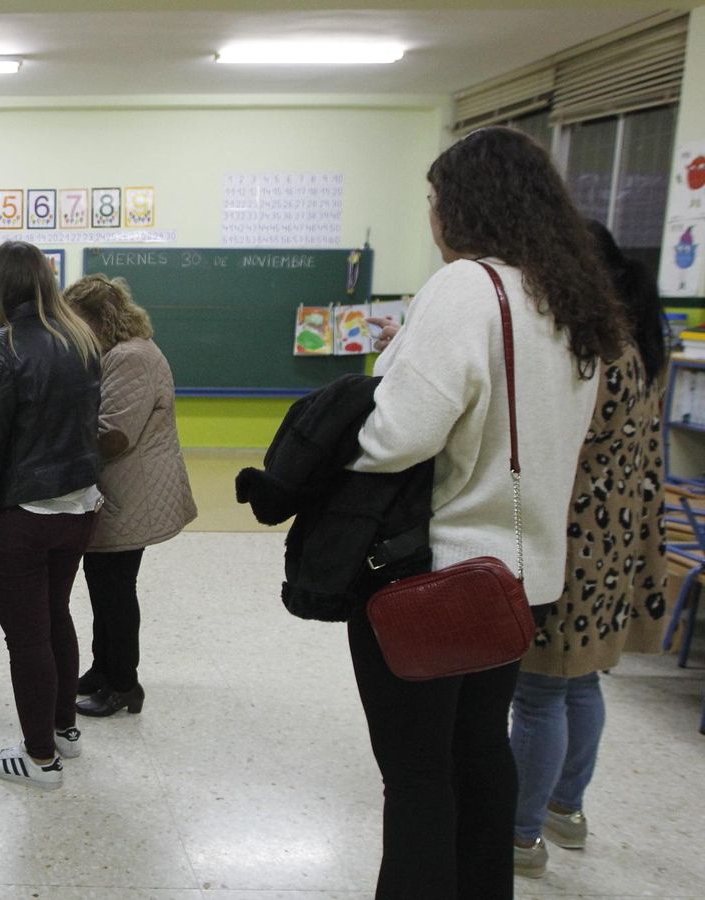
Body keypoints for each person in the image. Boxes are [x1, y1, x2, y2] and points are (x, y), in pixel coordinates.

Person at [346, 126, 629, 899]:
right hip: (518, 578)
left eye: (434, 201)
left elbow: (399, 436)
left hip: (437, 578)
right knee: (479, 754)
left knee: (415, 776)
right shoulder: (564, 294)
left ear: (466, 207)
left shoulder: (469, 287)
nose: (432, 217)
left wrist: (336, 447)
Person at [509, 219, 670, 879]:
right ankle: (566, 808)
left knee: (542, 691)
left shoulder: (589, 354)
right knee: (578, 684)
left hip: (570, 543)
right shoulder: (634, 345)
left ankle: (521, 836)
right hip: (616, 541)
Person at [0, 240, 101, 790]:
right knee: (55, 616)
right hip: (79, 509)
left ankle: (40, 759)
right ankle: (63, 728)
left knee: (28, 639)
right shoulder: (81, 340)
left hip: (24, 516)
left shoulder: (0, 348)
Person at [62, 274, 198, 718]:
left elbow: (114, 435)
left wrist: (55, 446)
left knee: (115, 591)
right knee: (105, 587)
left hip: (130, 494)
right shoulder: (119, 353)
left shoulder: (131, 357)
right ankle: (105, 670)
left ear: (102, 320)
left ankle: (123, 684)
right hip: (121, 492)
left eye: (78, 321)